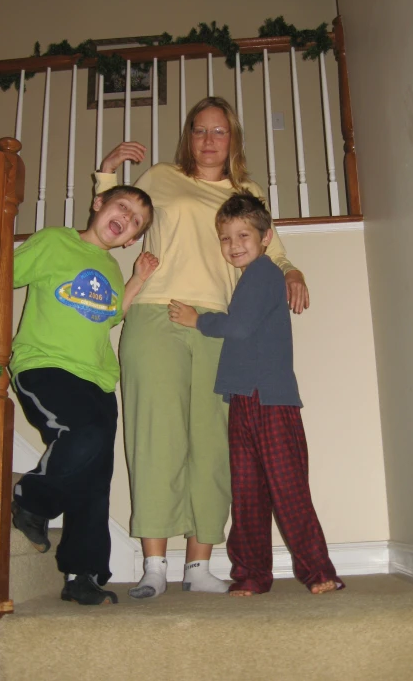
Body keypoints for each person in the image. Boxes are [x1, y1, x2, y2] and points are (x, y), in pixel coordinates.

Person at [95, 96, 309, 599]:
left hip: (219, 323)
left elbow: (272, 251)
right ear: (188, 137)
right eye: (199, 130)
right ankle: (152, 565)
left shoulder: (246, 191)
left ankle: (199, 564)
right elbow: (116, 221)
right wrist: (106, 175)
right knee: (155, 438)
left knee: (213, 446)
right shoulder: (160, 177)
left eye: (219, 131)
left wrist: (294, 271)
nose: (209, 139)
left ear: (232, 138)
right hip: (155, 314)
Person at [168, 192, 344, 596]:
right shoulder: (250, 278)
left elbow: (240, 327)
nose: (234, 245)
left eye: (243, 235)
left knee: (288, 488)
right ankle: (250, 575)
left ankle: (318, 571)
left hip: (272, 398)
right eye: (226, 238)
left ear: (265, 238)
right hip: (244, 398)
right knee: (247, 492)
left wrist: (198, 320)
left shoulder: (264, 272)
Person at [10, 185, 158, 605]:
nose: (126, 218)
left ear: (131, 239)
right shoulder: (55, 240)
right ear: (99, 204)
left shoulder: (111, 267)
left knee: (94, 479)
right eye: (122, 207)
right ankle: (30, 499)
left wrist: (136, 280)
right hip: (44, 365)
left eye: (135, 222)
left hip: (98, 379)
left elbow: (110, 315)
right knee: (84, 437)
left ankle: (83, 573)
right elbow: (5, 274)